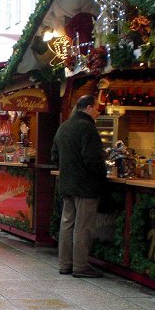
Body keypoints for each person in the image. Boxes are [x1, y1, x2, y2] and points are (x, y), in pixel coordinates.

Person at [51, 94, 107, 278]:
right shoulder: (87, 128)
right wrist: (102, 175)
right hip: (85, 186)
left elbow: (54, 156)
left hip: (67, 184)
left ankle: (65, 264)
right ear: (89, 107)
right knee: (83, 227)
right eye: (98, 108)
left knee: (67, 224)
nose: (98, 112)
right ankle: (80, 266)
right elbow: (92, 159)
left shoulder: (64, 126)